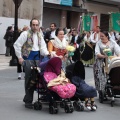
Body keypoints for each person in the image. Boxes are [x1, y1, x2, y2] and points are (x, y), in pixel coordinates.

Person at [14, 18, 49, 109]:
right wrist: (20, 57)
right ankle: (28, 100)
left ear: (39, 26)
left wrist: (47, 53)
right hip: (28, 58)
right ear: (30, 25)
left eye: (36, 25)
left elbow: (43, 48)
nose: (35, 26)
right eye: (33, 25)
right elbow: (17, 45)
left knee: (37, 79)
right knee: (29, 79)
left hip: (37, 58)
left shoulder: (40, 35)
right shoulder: (25, 34)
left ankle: (28, 98)